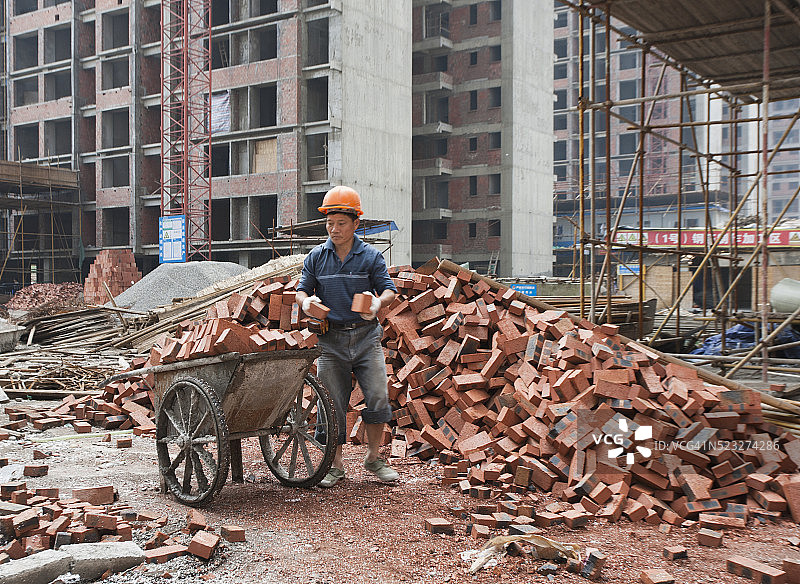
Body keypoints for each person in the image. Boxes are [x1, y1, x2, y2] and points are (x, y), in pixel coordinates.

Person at [296, 185, 399, 488]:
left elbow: (388, 289)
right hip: (331, 342)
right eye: (330, 223)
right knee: (332, 403)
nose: (334, 229)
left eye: (341, 223)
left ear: (356, 224)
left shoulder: (370, 257)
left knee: (378, 394)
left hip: (367, 339)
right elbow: (302, 290)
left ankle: (373, 458)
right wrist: (306, 303)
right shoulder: (316, 257)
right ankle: (335, 465)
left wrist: (377, 303)